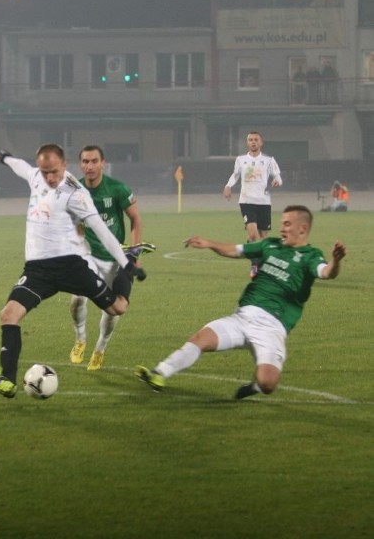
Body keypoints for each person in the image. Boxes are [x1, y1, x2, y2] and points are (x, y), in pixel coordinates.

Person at [0, 144, 138, 399]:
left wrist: (126, 263)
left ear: (64, 165)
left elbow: (101, 230)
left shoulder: (77, 193)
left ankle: (127, 271)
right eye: (44, 172)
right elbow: (23, 168)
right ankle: (7, 380)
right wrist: (6, 158)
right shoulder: (37, 177)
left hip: (71, 267)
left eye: (53, 172)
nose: (49, 178)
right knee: (8, 315)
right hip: (38, 270)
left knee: (117, 308)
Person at [136, 205, 346, 399]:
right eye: (282, 223)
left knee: (267, 384)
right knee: (201, 338)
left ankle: (254, 386)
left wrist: (335, 261)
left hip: (271, 328)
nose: (282, 228)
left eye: (287, 224)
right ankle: (159, 372)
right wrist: (209, 243)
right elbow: (236, 250)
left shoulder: (311, 255)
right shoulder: (269, 245)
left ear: (303, 228)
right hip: (242, 318)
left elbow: (326, 272)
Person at [68, 145, 155, 371]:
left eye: (94, 161)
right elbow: (74, 224)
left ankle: (100, 349)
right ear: (81, 164)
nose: (89, 166)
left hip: (116, 260)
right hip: (89, 257)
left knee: (113, 308)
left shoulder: (117, 189)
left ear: (103, 163)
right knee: (77, 298)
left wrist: (135, 252)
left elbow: (135, 219)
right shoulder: (75, 191)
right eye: (85, 161)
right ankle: (80, 339)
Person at [223, 131, 282, 279]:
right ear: (247, 143)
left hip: (264, 202)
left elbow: (278, 177)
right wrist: (228, 186)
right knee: (252, 234)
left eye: (256, 139)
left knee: (263, 238)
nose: (253, 142)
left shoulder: (268, 160)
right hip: (246, 201)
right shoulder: (241, 159)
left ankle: (260, 263)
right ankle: (254, 266)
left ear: (261, 143)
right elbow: (235, 175)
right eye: (250, 140)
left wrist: (277, 181)